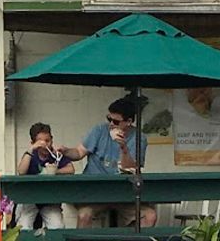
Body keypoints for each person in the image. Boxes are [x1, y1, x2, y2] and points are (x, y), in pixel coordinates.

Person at [60, 96, 155, 228]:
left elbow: (131, 168)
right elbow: (79, 152)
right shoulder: (99, 130)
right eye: (109, 119)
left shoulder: (139, 138)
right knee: (84, 215)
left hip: (123, 193)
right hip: (94, 191)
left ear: (128, 122)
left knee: (149, 216)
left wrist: (124, 148)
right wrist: (66, 151)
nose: (111, 124)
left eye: (116, 121)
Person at [11, 123, 76, 231]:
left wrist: (55, 171)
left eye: (47, 140)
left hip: (50, 198)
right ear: (33, 142)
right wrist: (31, 149)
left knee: (57, 226)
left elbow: (71, 169)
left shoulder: (55, 155)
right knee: (24, 226)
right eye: (40, 142)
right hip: (30, 198)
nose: (45, 144)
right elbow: (21, 171)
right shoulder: (30, 155)